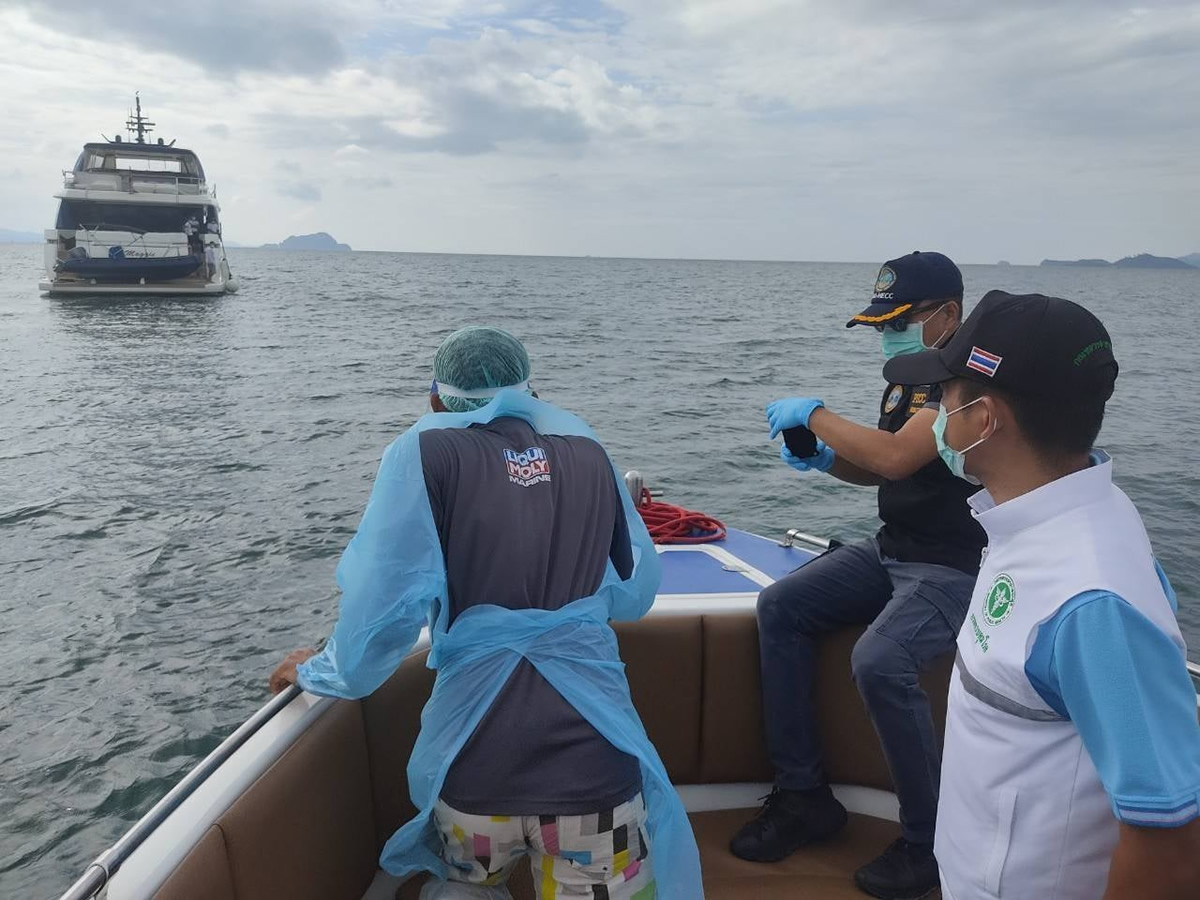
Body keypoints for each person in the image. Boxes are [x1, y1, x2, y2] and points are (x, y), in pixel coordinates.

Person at [269, 326, 702, 899]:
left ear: (435, 401)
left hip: (475, 777)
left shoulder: (422, 454)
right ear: (531, 394)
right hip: (596, 775)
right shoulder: (588, 452)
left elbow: (379, 614)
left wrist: (315, 671)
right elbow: (634, 592)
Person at [884, 290, 1200, 899]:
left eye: (944, 396)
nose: (936, 414)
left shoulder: (1092, 602)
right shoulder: (1057, 513)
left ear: (983, 418)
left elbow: (1170, 843)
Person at [731, 251, 986, 899]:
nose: (889, 335)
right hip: (894, 548)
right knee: (782, 606)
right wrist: (824, 460)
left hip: (952, 564)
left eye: (900, 321)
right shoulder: (908, 383)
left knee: (881, 661)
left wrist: (816, 415)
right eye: (881, 325)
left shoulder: (967, 385)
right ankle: (803, 796)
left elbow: (897, 457)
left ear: (949, 314)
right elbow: (882, 470)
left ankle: (931, 842)